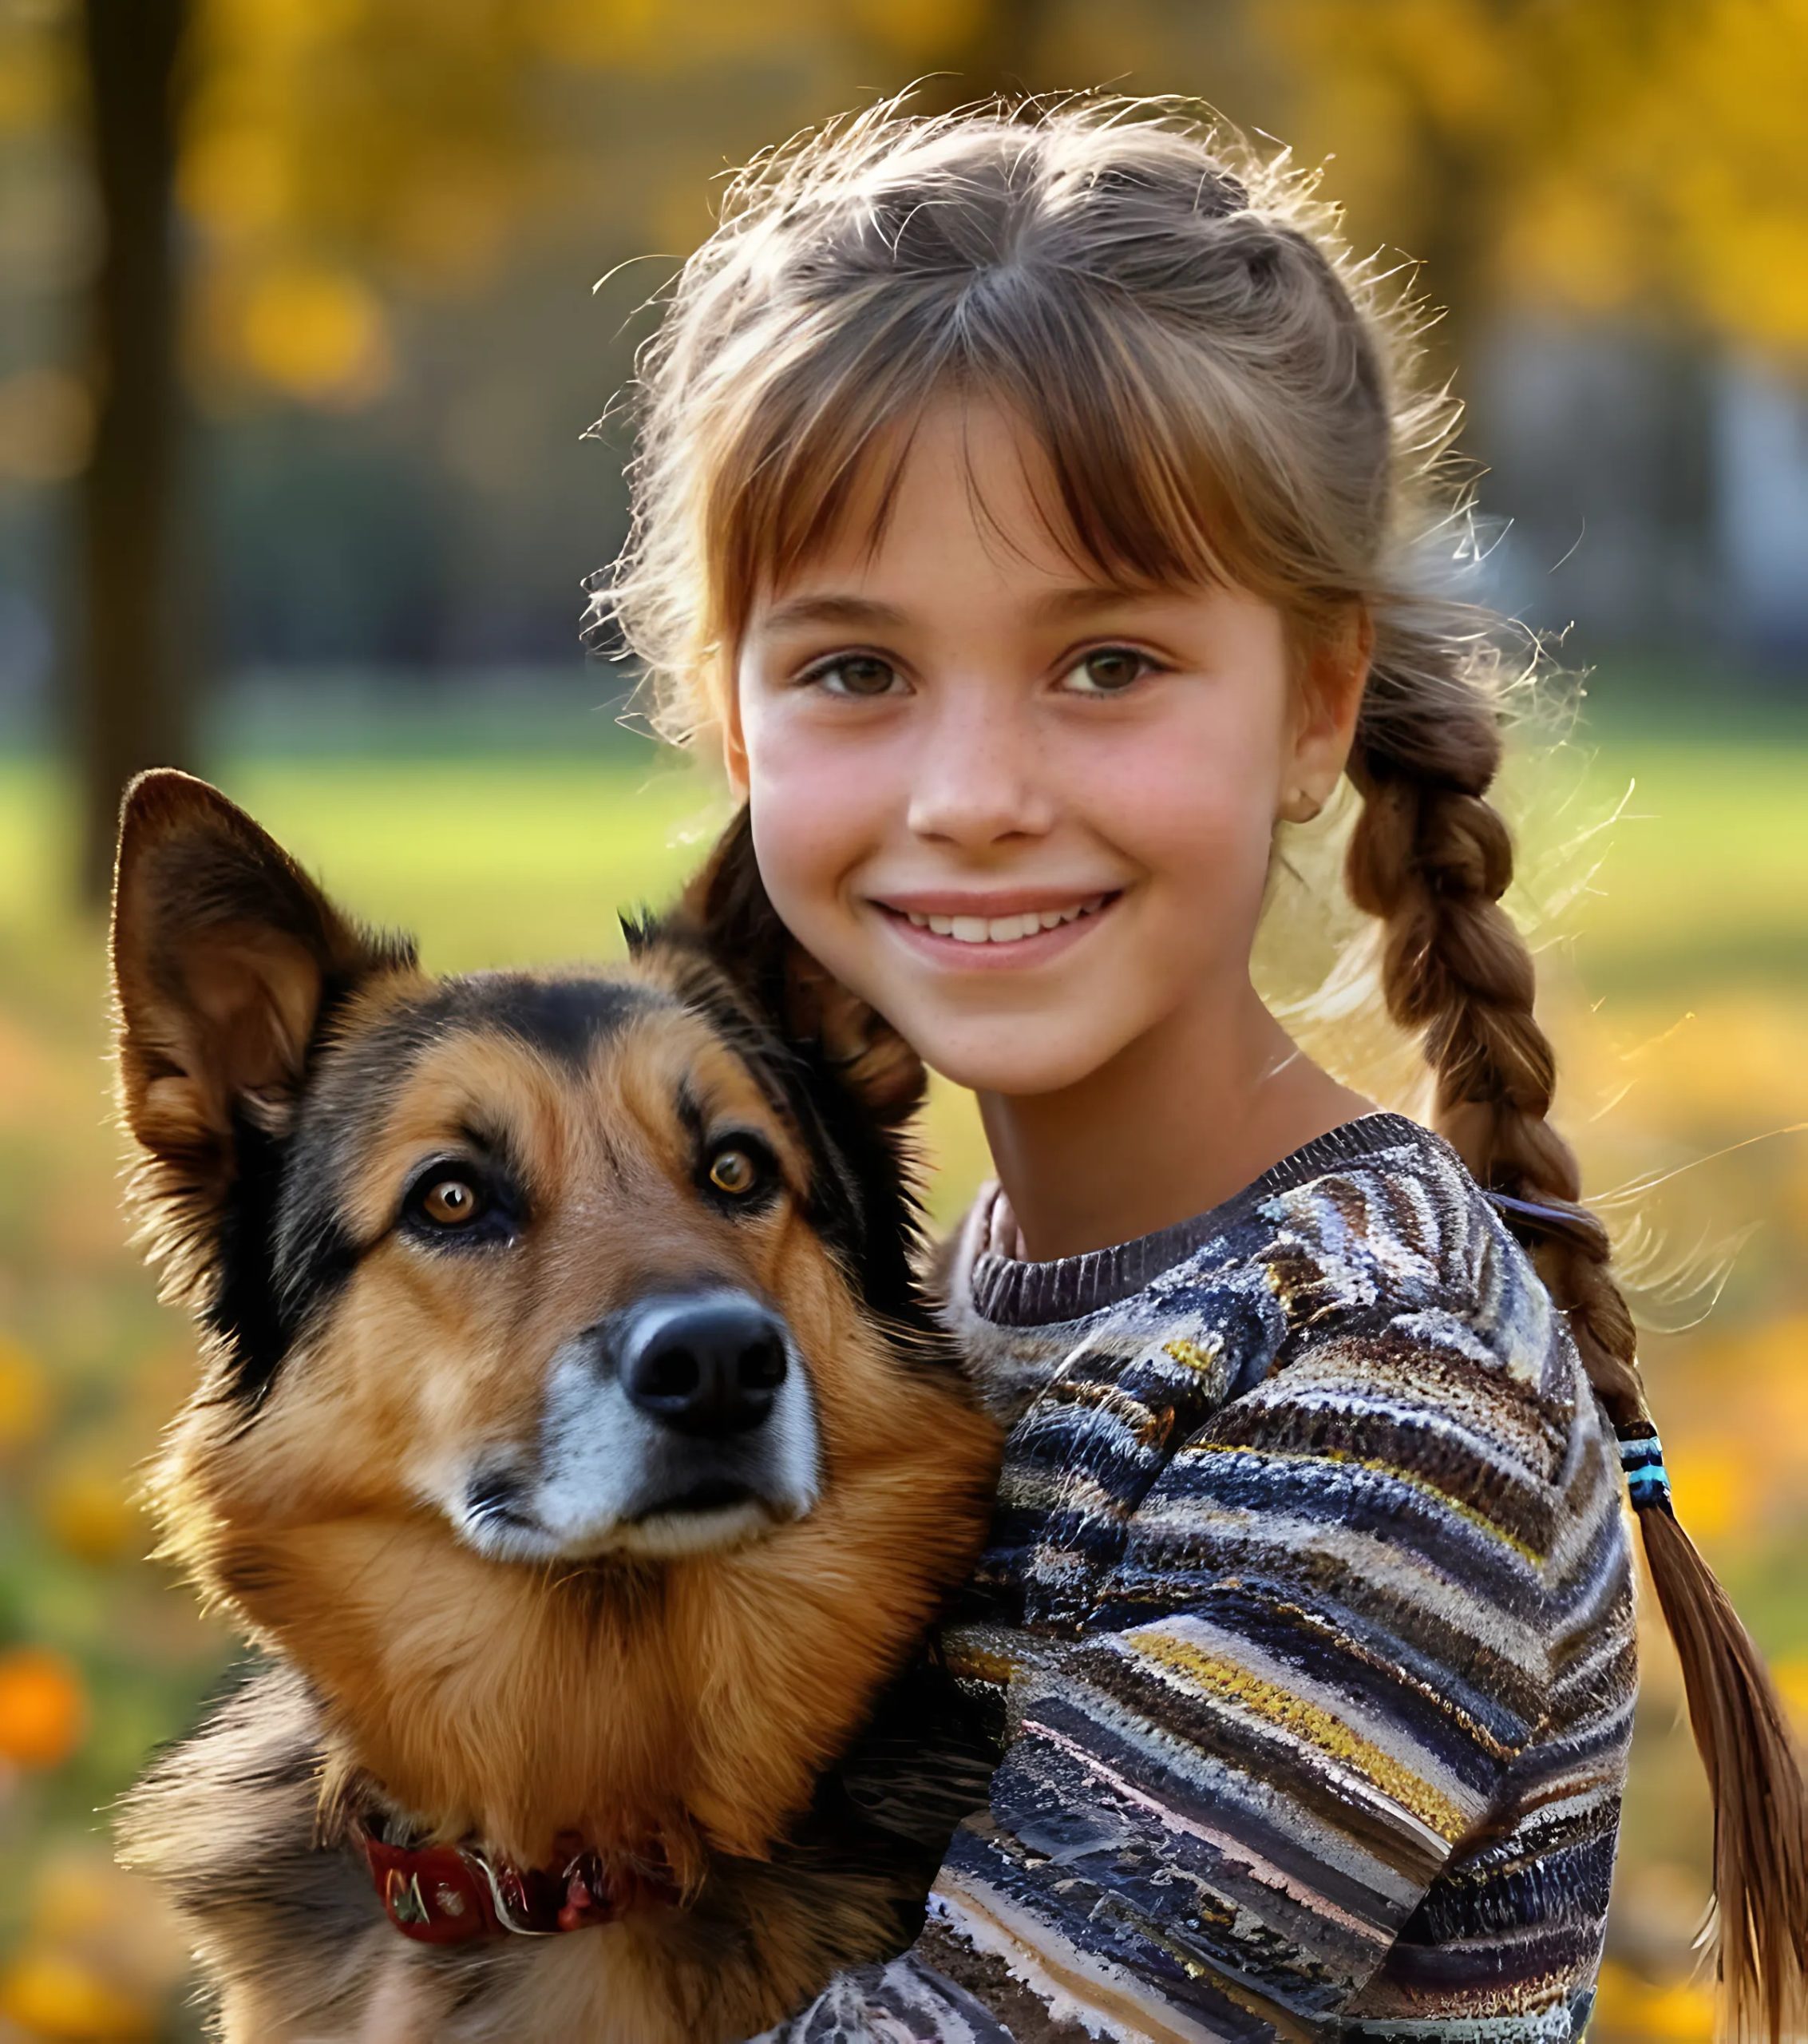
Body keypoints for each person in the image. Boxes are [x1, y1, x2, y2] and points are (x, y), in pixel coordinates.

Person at [591, 91, 1808, 2043]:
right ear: (732, 723)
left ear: (1314, 701)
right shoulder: (954, 1299)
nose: (972, 793)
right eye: (855, 669)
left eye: (1105, 663)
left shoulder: (1375, 1391)